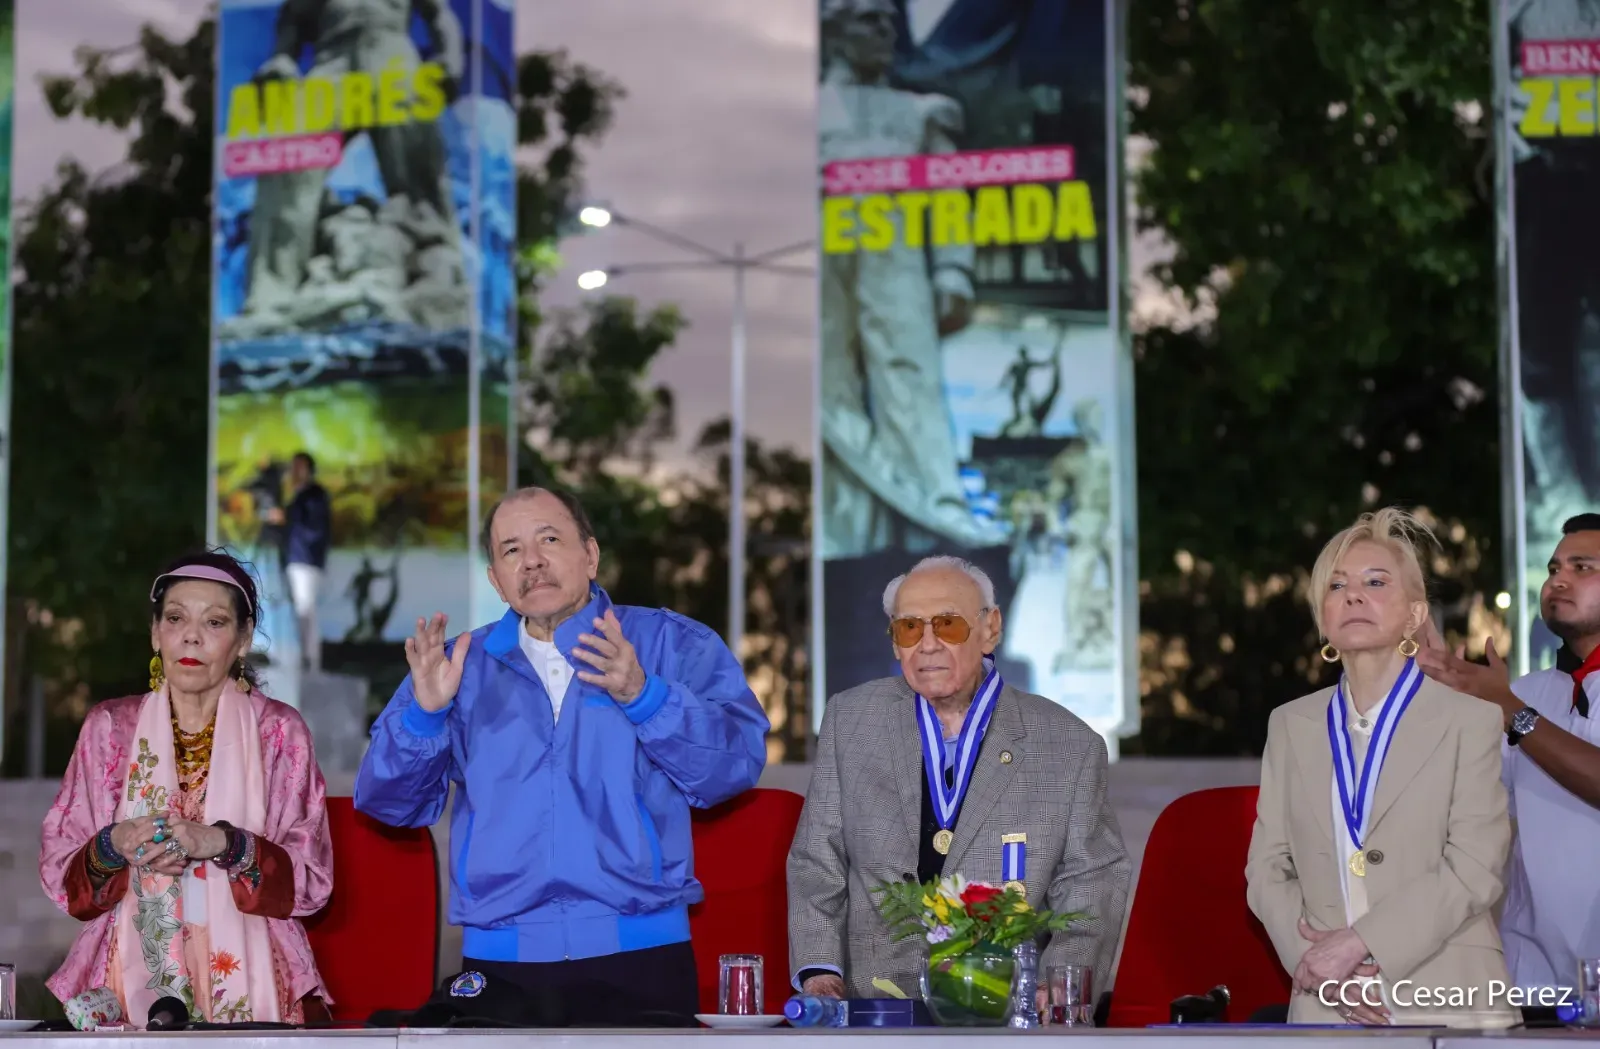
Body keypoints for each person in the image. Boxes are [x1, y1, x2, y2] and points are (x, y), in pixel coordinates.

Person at [354, 487, 770, 1027]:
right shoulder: (457, 663)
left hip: (641, 953)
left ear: (591, 556)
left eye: (549, 538)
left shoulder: (670, 643)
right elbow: (388, 803)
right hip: (500, 963)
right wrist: (426, 716)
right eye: (511, 550)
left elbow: (732, 768)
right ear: (495, 580)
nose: (532, 560)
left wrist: (646, 696)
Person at [787, 555, 1129, 1000]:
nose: (927, 644)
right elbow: (818, 862)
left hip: (1006, 1007)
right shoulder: (850, 720)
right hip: (874, 1007)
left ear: (991, 629)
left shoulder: (1069, 745)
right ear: (895, 643)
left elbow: (1093, 883)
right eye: (909, 628)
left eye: (947, 624)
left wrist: (1058, 985)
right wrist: (820, 973)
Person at [1246, 508, 1515, 1028]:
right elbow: (1267, 868)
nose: (1352, 595)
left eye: (1375, 582)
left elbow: (1477, 865)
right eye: (1336, 586)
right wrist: (1318, 967)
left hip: (1449, 994)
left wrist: (1362, 942)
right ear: (1322, 617)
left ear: (1415, 615)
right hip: (1325, 1001)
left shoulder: (1470, 720)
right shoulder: (1290, 723)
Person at [39, 551, 334, 1025]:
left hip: (256, 969)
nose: (191, 635)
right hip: (126, 971)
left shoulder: (279, 732)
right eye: (175, 618)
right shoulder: (110, 729)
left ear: (242, 639)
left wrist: (224, 842)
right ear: (156, 632)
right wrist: (115, 845)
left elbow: (313, 883)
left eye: (215, 622)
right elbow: (61, 876)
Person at [1416, 512, 1600, 999]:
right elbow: (1456, 807)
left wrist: (1513, 712)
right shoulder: (1527, 691)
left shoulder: (1515, 702)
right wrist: (1420, 695)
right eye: (1554, 567)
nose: (1558, 578)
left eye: (1583, 567)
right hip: (1533, 981)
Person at [267, 452, 332, 671]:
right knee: (298, 611)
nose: (294, 472)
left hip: (306, 559)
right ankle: (300, 659)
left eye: (299, 467)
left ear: (309, 471)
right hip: (294, 559)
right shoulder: (297, 497)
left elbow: (315, 529)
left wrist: (286, 519)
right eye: (293, 467)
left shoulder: (315, 496)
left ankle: (311, 662)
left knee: (306, 610)